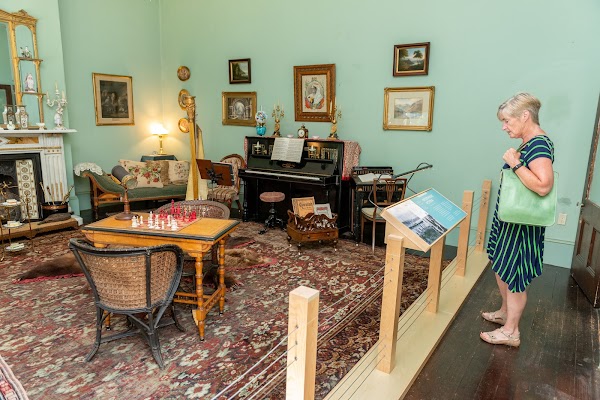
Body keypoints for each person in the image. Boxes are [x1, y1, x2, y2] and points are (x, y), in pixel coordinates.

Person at [481, 92, 555, 348]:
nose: (504, 127)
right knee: (502, 266)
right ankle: (505, 313)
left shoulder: (539, 145)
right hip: (510, 222)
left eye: (507, 120)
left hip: (521, 226)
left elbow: (544, 186)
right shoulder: (528, 143)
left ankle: (511, 332)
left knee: (514, 277)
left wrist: (515, 163)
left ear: (525, 116)